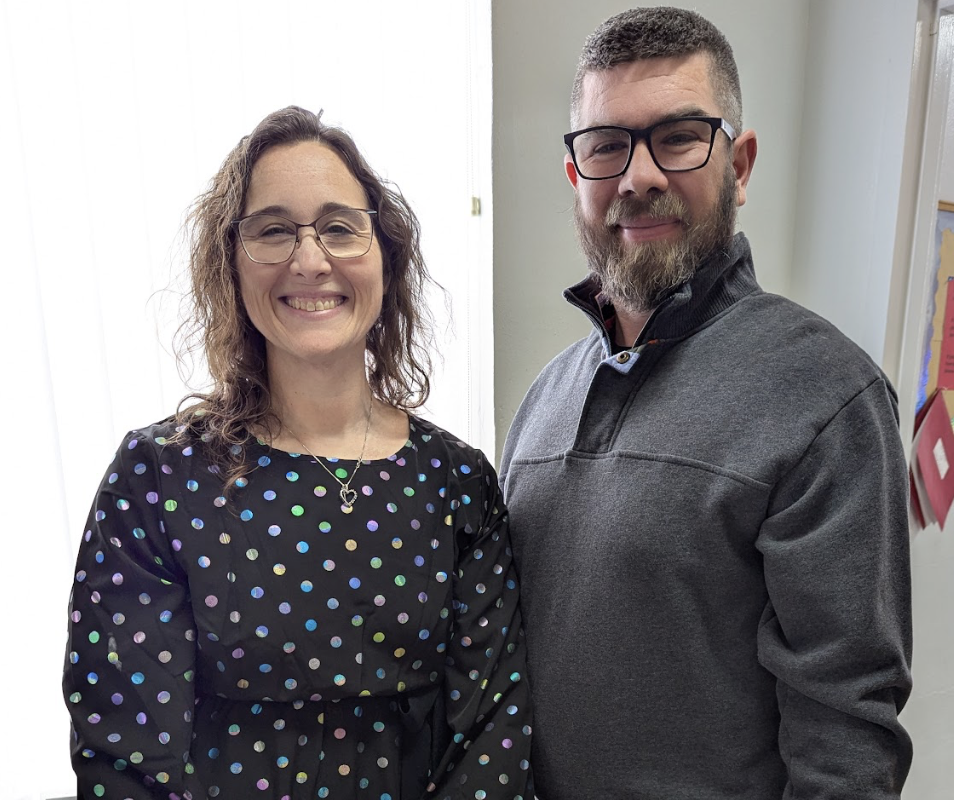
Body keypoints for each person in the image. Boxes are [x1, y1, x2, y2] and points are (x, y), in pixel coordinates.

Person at [499, 8, 912, 800]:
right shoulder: (546, 396)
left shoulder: (827, 397)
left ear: (740, 166)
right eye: (606, 146)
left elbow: (845, 743)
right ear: (576, 177)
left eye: (679, 137)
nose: (639, 176)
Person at [63, 106, 532, 800]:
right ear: (230, 265)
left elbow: (491, 737)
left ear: (386, 258)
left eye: (340, 228)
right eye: (273, 230)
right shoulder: (157, 477)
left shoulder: (458, 483)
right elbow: (126, 754)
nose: (309, 261)